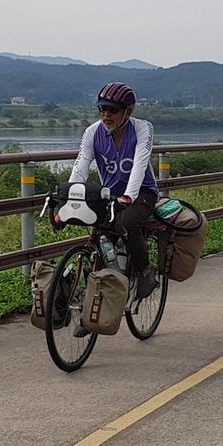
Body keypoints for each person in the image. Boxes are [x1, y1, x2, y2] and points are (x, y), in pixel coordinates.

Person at [68, 81, 160, 301]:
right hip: (109, 194)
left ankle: (145, 271)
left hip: (143, 192)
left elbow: (139, 164)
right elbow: (80, 166)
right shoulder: (92, 132)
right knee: (99, 237)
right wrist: (70, 193)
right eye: (102, 108)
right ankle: (97, 299)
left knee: (127, 223)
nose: (106, 115)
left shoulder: (143, 129)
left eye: (113, 110)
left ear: (128, 111)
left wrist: (129, 196)